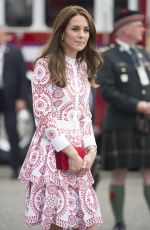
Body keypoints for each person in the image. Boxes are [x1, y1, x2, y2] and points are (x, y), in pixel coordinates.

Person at [19, 5, 103, 230]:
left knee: (87, 224)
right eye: (75, 29)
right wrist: (69, 151)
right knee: (58, 225)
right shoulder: (44, 66)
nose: (82, 35)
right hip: (54, 152)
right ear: (62, 33)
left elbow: (84, 114)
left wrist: (92, 150)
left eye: (86, 30)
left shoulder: (83, 66)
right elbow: (44, 117)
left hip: (80, 153)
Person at [97, 9, 150, 230]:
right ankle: (119, 222)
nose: (143, 30)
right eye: (139, 26)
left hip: (146, 123)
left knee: (148, 170)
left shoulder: (143, 54)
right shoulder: (108, 56)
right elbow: (107, 90)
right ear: (125, 29)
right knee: (119, 172)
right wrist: (137, 105)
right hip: (120, 122)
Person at [0, 26, 27, 179]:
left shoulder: (14, 52)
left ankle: (16, 166)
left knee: (12, 129)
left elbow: (22, 77)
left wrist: (21, 97)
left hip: (9, 96)